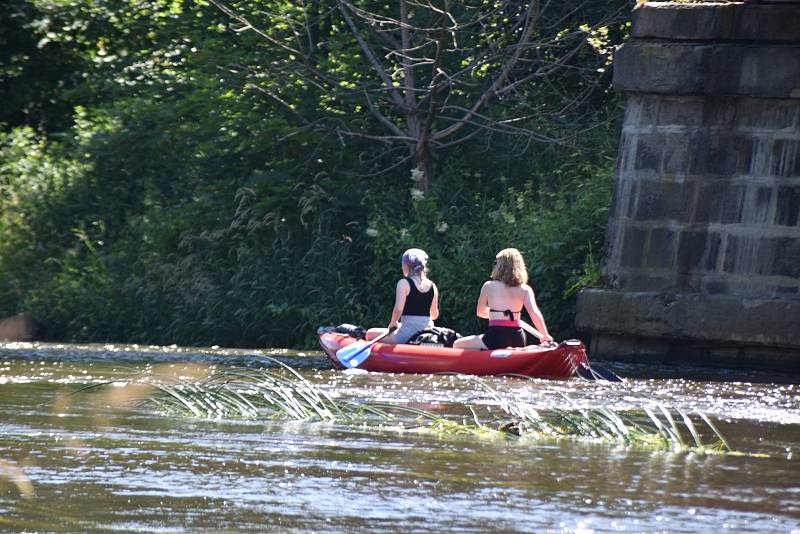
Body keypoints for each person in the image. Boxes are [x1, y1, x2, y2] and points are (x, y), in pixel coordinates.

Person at [453, 248, 553, 350]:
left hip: (495, 337)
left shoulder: (488, 286)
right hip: (517, 337)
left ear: (499, 266)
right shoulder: (525, 289)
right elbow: (534, 313)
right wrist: (545, 335)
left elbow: (480, 312)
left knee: (457, 344)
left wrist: (495, 314)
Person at [366, 248, 440, 344]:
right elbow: (434, 315)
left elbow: (398, 309)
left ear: (406, 266)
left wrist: (393, 323)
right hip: (428, 332)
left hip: (408, 334)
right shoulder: (432, 286)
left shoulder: (403, 283)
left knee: (369, 333)